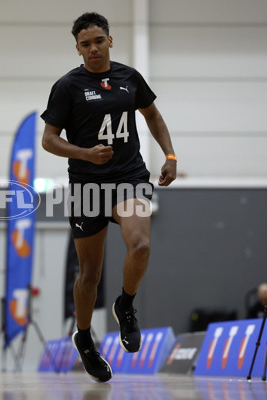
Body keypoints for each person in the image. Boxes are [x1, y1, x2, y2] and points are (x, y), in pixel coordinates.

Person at [41, 12, 176, 382]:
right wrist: (85, 153)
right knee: (89, 275)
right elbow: (48, 139)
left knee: (141, 245)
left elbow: (154, 117)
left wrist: (170, 155)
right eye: (85, 44)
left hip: (128, 177)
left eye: (98, 40)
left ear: (110, 41)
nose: (93, 49)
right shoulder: (67, 86)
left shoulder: (129, 78)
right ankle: (84, 338)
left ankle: (126, 305)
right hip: (87, 184)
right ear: (77, 49)